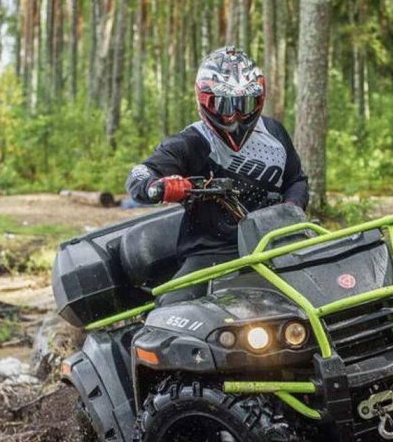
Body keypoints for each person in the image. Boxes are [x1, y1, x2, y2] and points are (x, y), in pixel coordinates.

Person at [126, 46, 309, 305]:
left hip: (278, 241)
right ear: (206, 101)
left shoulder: (275, 133)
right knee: (171, 306)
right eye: (224, 105)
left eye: (244, 104)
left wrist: (291, 208)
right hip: (214, 252)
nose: (235, 116)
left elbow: (296, 179)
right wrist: (157, 187)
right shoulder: (191, 141)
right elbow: (140, 173)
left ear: (258, 100)